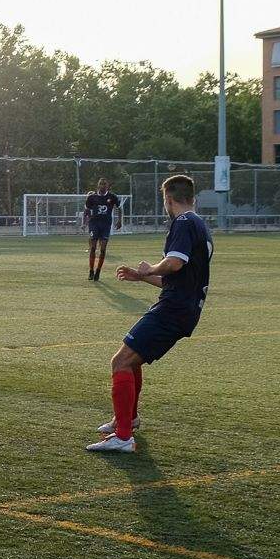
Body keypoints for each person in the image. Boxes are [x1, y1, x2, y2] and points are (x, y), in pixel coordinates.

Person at [89, 173, 212, 454]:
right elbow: (180, 276)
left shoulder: (182, 222)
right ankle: (127, 420)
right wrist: (141, 277)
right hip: (183, 306)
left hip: (174, 308)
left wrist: (150, 269)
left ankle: (123, 437)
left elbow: (174, 264)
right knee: (132, 361)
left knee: (120, 361)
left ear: (168, 199)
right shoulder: (200, 224)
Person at [84, 178, 122, 282]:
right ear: (98, 185)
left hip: (105, 225)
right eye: (101, 184)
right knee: (92, 248)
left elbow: (119, 208)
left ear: (107, 186)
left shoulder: (112, 197)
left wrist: (119, 221)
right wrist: (85, 222)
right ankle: (91, 271)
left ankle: (98, 271)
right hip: (94, 224)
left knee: (103, 249)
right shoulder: (92, 197)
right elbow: (86, 210)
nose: (102, 186)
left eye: (104, 184)